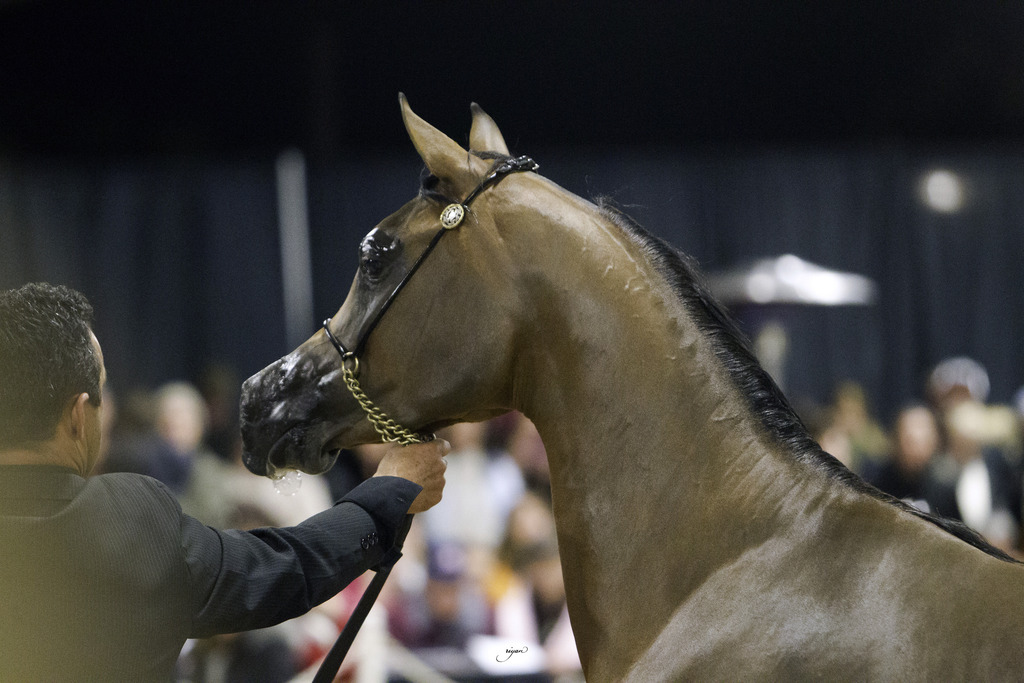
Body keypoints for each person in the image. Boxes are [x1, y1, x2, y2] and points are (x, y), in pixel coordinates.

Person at [0, 282, 448, 681]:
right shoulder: (129, 521)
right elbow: (286, 568)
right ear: (79, 416)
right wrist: (392, 487)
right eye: (102, 396)